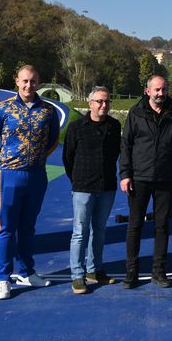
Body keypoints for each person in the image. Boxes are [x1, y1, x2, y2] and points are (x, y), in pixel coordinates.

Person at [0, 64, 60, 300]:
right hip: (10, 175)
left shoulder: (48, 111)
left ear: (39, 83)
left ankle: (26, 272)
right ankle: (3, 278)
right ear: (17, 81)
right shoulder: (3, 108)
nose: (29, 85)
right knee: (6, 227)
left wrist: (36, 160)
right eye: (25, 81)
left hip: (37, 175)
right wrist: (8, 161)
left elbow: (53, 141)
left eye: (33, 81)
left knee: (28, 226)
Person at [119, 75, 172, 289]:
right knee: (135, 226)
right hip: (139, 179)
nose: (161, 93)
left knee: (162, 226)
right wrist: (125, 174)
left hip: (165, 178)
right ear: (147, 91)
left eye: (164, 89)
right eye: (157, 90)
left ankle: (159, 271)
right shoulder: (135, 113)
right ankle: (131, 273)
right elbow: (126, 145)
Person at [63, 86, 121, 294]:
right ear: (90, 104)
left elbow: (116, 154)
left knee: (99, 230)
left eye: (107, 101)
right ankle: (77, 275)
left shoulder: (114, 126)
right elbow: (68, 158)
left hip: (107, 187)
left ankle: (94, 270)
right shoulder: (76, 127)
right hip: (83, 187)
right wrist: (78, 179)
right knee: (80, 232)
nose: (104, 105)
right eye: (99, 101)